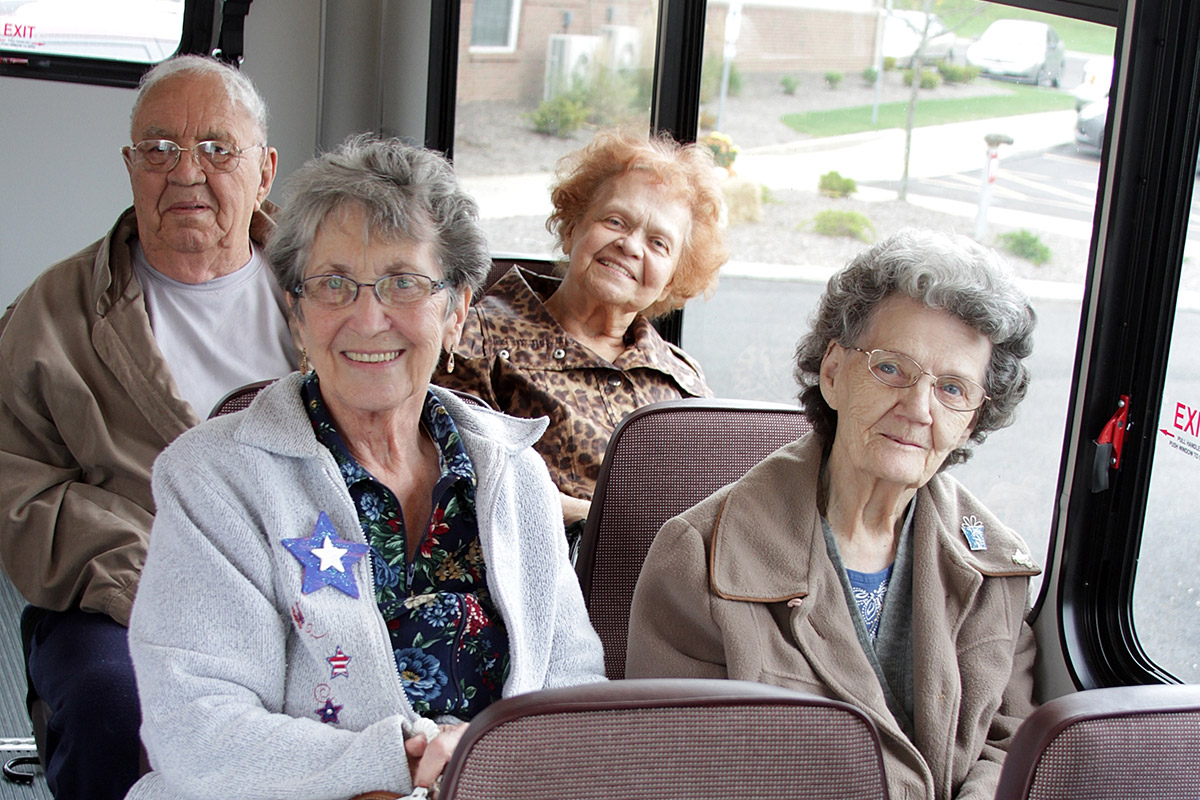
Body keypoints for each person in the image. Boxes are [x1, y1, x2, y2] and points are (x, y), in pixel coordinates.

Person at [124, 134, 606, 799]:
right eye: (333, 284)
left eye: (404, 282)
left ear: (457, 310)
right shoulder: (213, 478)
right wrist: (404, 764)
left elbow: (574, 701)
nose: (369, 316)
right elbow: (199, 731)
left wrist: (489, 772)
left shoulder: (515, 475)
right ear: (296, 314)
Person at [627, 228, 1040, 800]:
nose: (918, 409)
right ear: (833, 372)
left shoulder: (995, 567)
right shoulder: (697, 557)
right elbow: (677, 768)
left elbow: (1012, 738)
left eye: (951, 388)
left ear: (973, 418)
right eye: (891, 369)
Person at [0, 55, 290, 799]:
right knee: (115, 708)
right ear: (131, 167)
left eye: (217, 149)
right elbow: (18, 490)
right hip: (121, 596)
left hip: (313, 580)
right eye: (159, 149)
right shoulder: (50, 315)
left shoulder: (328, 289)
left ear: (265, 171)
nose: (185, 172)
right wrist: (154, 579)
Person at [434, 130, 728, 538]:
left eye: (658, 243)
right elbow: (467, 483)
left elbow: (717, 503)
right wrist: (616, 526)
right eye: (615, 221)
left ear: (671, 281)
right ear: (572, 229)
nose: (630, 245)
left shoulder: (684, 381)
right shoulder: (474, 340)